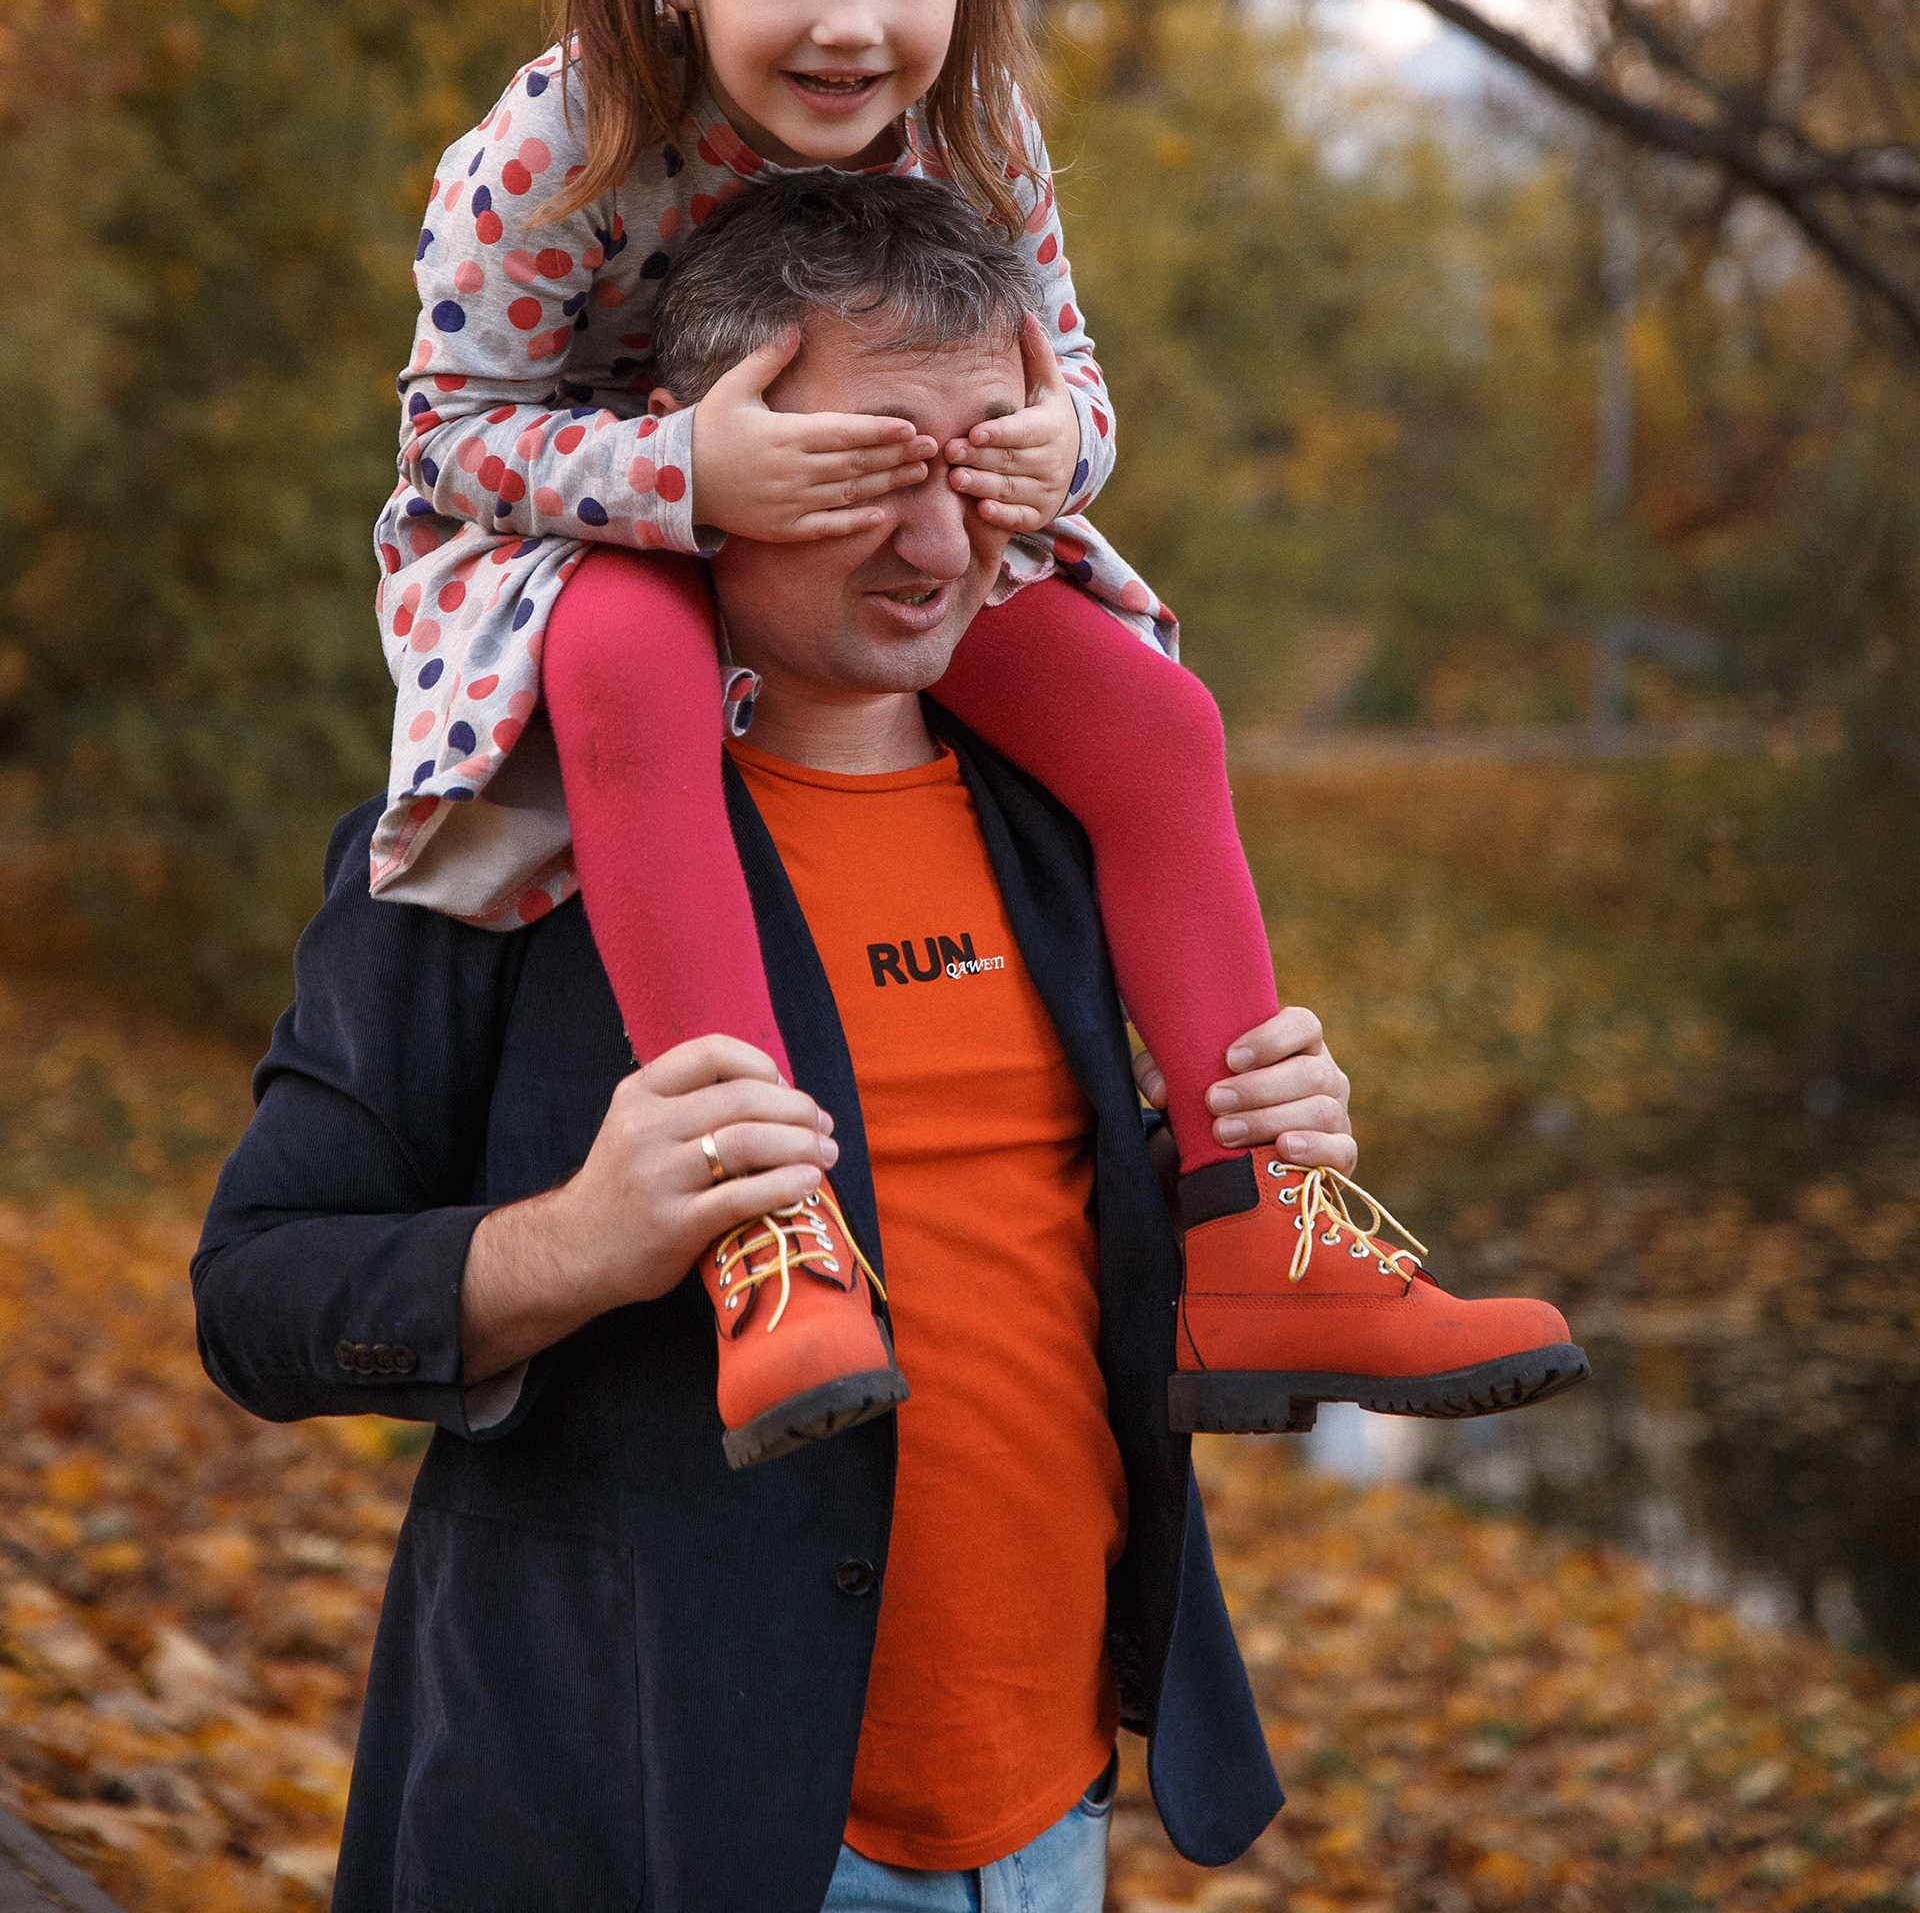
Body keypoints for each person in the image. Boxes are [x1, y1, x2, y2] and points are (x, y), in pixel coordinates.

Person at [194, 174, 1583, 1913]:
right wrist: (576, 1245)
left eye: (979, 475)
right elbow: (256, 1295)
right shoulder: (489, 847)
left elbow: (1025, 1262)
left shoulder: (1065, 822)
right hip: (638, 1819)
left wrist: (1218, 1163)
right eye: (865, 475)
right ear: (695, 461)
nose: (937, 546)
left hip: (1049, 1820)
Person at [366, 0, 1582, 1467]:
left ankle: (1261, 1228)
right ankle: (769, 1240)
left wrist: (1044, 452)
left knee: (1152, 722)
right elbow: (446, 433)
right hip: (590, 525)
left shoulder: (982, 124)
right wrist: (685, 473)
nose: (853, 24)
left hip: (892, 511)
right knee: (628, 661)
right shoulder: (566, 136)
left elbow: (1072, 381)